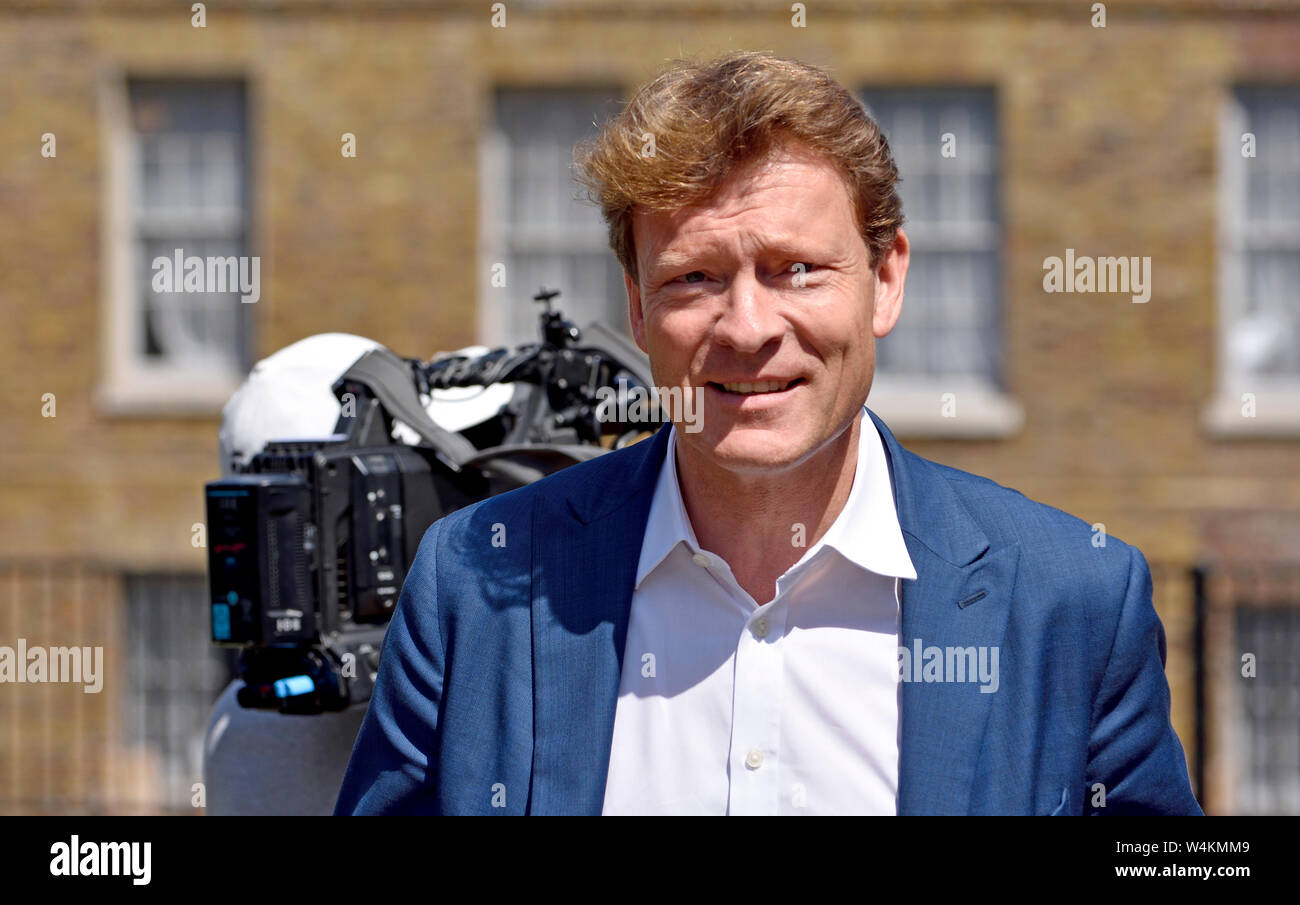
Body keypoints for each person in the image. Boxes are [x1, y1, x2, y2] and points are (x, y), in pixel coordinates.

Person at [333, 50, 1202, 815]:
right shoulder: (473, 588)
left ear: (886, 280)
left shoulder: (1074, 599)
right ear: (636, 308)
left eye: (796, 270)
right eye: (695, 278)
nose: (747, 327)